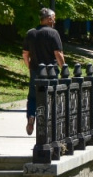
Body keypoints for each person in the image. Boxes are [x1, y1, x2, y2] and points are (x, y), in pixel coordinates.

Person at [22, 8, 66, 136]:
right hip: (51, 71)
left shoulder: (31, 33)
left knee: (33, 97)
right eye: (54, 18)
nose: (55, 21)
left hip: (36, 70)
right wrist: (64, 69)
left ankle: (31, 116)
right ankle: (50, 124)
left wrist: (30, 67)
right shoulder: (53, 33)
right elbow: (58, 53)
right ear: (49, 19)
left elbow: (25, 54)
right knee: (51, 96)